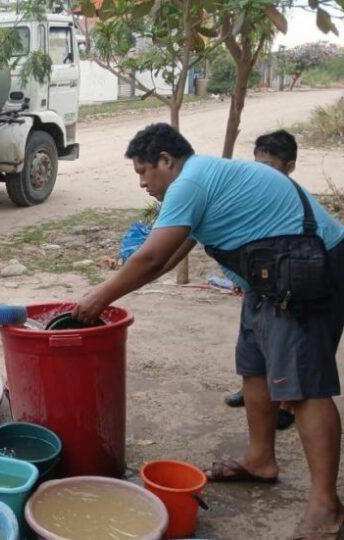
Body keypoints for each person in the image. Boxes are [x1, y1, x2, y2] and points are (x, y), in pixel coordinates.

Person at [74, 123, 344, 538]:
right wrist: (111, 292)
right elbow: (165, 260)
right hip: (271, 275)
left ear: (167, 160)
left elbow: (150, 260)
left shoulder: (191, 181)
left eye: (145, 172)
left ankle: (326, 506)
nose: (144, 183)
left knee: (304, 387)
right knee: (253, 366)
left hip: (308, 266)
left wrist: (98, 299)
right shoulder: (200, 181)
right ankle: (260, 459)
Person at [223, 129, 299, 431]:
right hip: (257, 282)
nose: (261, 174)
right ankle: (256, 389)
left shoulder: (291, 198)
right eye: (257, 165)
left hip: (288, 284)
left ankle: (286, 405)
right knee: (254, 342)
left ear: (289, 165)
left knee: (286, 345)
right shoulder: (255, 194)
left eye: (269, 167)